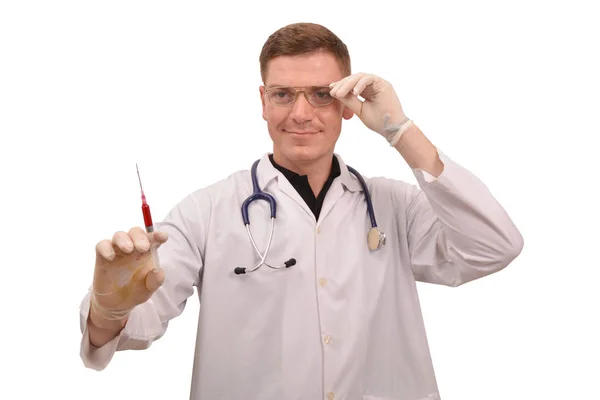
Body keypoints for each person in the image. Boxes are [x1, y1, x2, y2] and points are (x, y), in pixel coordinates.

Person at [79, 22, 524, 400]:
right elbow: (129, 325)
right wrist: (109, 309)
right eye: (283, 94)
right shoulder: (208, 211)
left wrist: (399, 128)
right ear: (262, 100)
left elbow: (494, 246)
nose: (301, 113)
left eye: (321, 95)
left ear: (348, 106)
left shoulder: (395, 206)